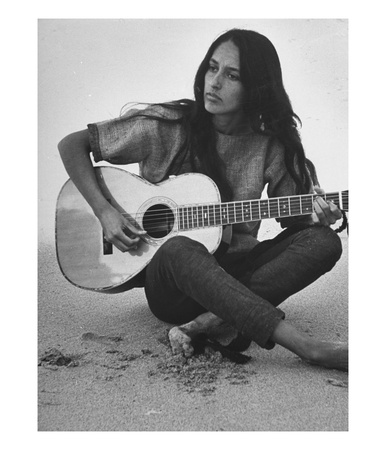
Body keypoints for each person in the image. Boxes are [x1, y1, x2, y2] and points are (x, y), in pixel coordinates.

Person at [58, 28, 348, 371]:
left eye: (232, 75)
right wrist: (104, 211)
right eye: (212, 68)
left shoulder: (272, 144)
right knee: (179, 246)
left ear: (257, 86)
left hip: (237, 272)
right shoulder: (168, 125)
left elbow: (296, 219)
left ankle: (206, 323)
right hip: (174, 286)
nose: (214, 82)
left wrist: (319, 214)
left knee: (324, 241)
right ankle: (308, 347)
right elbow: (73, 144)